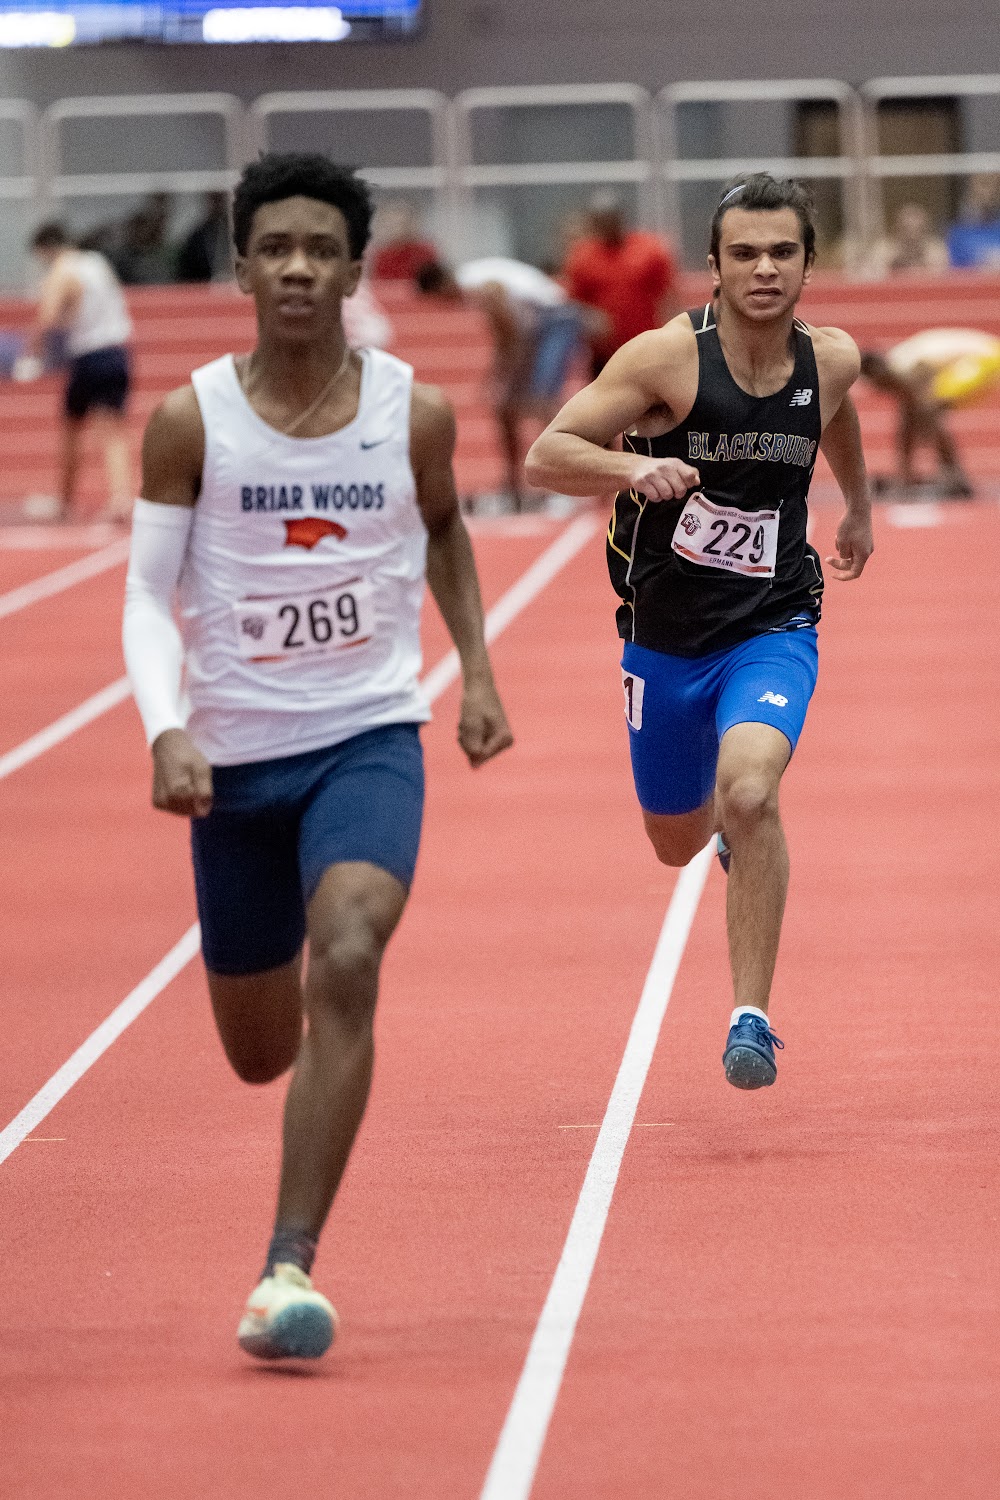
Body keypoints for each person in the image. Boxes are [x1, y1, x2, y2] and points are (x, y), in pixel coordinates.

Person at [121, 153, 513, 1360]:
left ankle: (285, 1267)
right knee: (259, 1054)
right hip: (237, 765)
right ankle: (298, 1075)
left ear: (353, 271)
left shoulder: (413, 413)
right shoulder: (191, 421)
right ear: (241, 268)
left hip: (367, 736)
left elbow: (444, 529)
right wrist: (166, 725)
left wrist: (477, 672)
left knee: (348, 949)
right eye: (276, 248)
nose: (298, 267)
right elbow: (144, 598)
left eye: (321, 249)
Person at [526, 173, 873, 1090]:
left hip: (774, 622)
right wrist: (628, 471)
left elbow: (835, 415)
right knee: (676, 842)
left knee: (752, 792)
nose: (765, 269)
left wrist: (858, 508)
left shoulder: (832, 358)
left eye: (783, 252)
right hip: (666, 639)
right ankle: (717, 833)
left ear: (808, 263)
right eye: (744, 254)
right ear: (713, 267)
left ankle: (750, 1018)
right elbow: (545, 455)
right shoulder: (664, 361)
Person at [416, 255, 584, 510]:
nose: (447, 305)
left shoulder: (479, 285)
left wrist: (501, 377)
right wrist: (500, 376)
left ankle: (568, 478)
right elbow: (508, 335)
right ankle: (514, 485)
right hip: (536, 327)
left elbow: (511, 332)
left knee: (542, 402)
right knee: (506, 407)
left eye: (441, 300)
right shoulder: (475, 282)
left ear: (442, 286)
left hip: (554, 319)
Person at [28, 222, 134, 521]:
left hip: (90, 355)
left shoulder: (63, 270)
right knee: (114, 430)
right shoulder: (97, 262)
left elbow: (49, 316)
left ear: (46, 250)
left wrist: (32, 353)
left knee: (72, 429)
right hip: (118, 351)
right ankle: (121, 498)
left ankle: (65, 501)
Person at [860, 327, 1000, 498]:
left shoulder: (908, 367)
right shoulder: (899, 363)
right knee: (925, 411)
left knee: (930, 411)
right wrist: (904, 471)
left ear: (881, 375)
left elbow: (914, 419)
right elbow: (908, 417)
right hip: (983, 355)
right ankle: (950, 473)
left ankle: (955, 475)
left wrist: (904, 473)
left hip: (986, 358)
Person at [562, 192, 678, 378]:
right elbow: (572, 306)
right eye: (600, 221)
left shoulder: (649, 250)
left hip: (646, 348)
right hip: (605, 355)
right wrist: (591, 318)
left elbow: (669, 296)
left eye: (609, 219)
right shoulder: (583, 256)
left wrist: (673, 336)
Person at [863, 202, 949, 277]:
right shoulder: (883, 248)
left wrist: (920, 267)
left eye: (918, 229)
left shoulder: (935, 249)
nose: (912, 236)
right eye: (906, 229)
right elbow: (870, 275)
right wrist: (893, 262)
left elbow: (941, 275)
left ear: (925, 230)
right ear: (897, 228)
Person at [369, 199, 437, 282]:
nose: (397, 229)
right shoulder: (382, 255)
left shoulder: (425, 252)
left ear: (412, 224)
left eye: (401, 223)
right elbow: (378, 283)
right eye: (392, 225)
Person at [947, 173, 1000, 270]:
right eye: (984, 184)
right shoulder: (958, 234)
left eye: (996, 186)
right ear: (970, 189)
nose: (991, 192)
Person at [176, 191, 232, 283]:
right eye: (214, 198)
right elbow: (186, 275)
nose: (217, 203)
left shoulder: (235, 231)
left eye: (219, 198)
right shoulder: (197, 237)